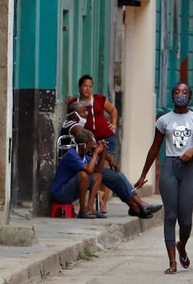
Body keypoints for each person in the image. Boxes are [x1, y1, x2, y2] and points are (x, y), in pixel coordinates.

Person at [135, 83, 193, 275]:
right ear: (171, 96)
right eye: (176, 92)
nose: (180, 95)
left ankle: (181, 245)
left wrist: (192, 150)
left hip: (188, 169)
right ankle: (172, 261)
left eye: (184, 92)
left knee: (186, 221)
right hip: (169, 167)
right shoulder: (164, 120)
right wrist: (143, 174)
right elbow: (154, 147)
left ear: (189, 96)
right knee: (170, 215)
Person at [52, 129, 161, 220]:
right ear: (84, 145)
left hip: (71, 191)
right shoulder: (72, 154)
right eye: (91, 143)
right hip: (61, 193)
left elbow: (98, 171)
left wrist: (103, 151)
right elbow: (89, 170)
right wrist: (96, 152)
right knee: (83, 175)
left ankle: (92, 207)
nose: (93, 146)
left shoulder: (83, 154)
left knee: (100, 176)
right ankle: (83, 210)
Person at [70, 75, 120, 215]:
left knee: (106, 169)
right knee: (92, 169)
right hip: (89, 142)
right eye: (85, 86)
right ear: (80, 87)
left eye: (90, 86)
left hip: (106, 139)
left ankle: (103, 202)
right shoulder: (75, 103)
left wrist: (113, 125)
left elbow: (113, 110)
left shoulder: (99, 99)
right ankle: (90, 201)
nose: (87, 88)